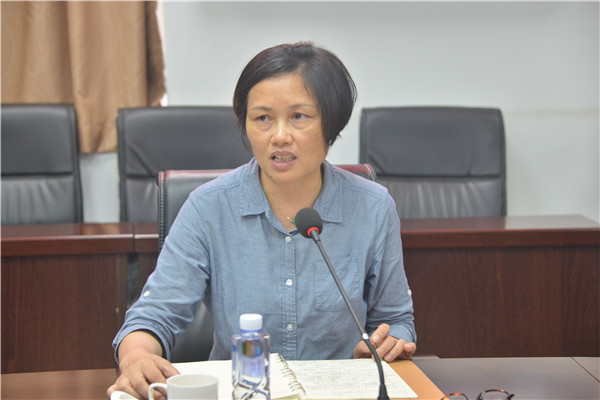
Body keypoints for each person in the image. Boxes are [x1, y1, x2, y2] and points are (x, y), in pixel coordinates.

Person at [107, 41, 416, 399]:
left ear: (331, 123)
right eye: (262, 118)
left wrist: (387, 345)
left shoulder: (372, 207)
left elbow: (397, 322)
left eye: (299, 116)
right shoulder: (208, 208)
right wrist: (137, 357)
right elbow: (154, 313)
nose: (280, 136)